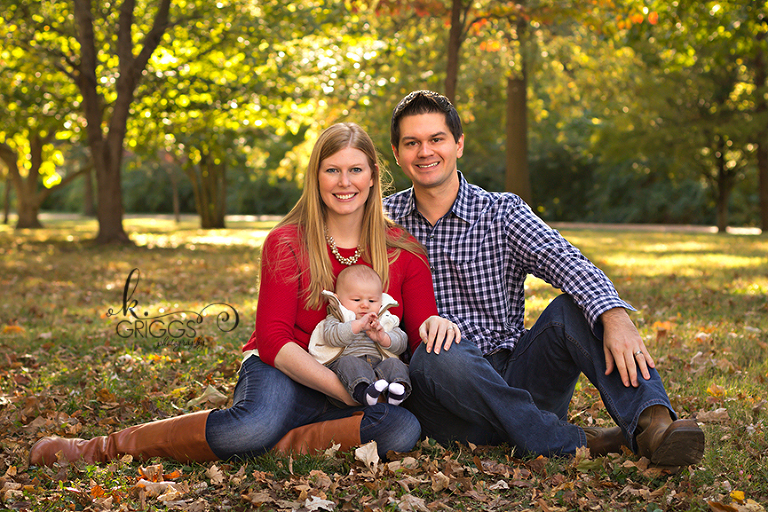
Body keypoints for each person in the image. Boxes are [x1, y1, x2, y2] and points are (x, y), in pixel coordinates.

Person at [29, 122, 459, 466]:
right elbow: (273, 339)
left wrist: (432, 328)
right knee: (248, 426)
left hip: (361, 375)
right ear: (317, 177)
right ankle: (99, 448)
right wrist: (338, 389)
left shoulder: (403, 250)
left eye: (355, 170)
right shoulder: (287, 242)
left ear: (372, 177)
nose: (343, 182)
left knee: (402, 430)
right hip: (288, 368)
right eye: (332, 169)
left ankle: (274, 438)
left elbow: (418, 341)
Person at [383, 90, 705, 466]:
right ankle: (562, 439)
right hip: (443, 399)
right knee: (434, 353)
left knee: (576, 307)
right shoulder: (382, 221)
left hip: (518, 376)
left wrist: (614, 316)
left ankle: (654, 425)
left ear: (458, 144)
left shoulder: (501, 212)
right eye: (412, 143)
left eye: (436, 139)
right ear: (396, 153)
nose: (425, 152)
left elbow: (569, 262)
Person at [312, 264, 412, 407]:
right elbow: (331, 337)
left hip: (379, 368)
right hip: (348, 378)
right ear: (339, 299)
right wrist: (357, 325)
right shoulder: (337, 317)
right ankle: (364, 392)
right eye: (356, 300)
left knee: (395, 364)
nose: (365, 305)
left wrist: (384, 338)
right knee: (349, 362)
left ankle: (395, 391)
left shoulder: (384, 319)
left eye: (372, 301)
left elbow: (402, 342)